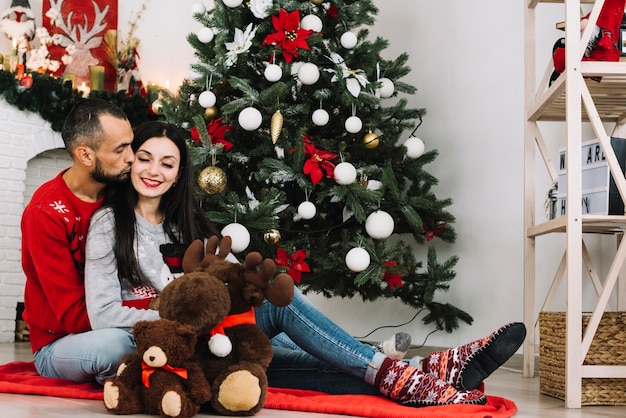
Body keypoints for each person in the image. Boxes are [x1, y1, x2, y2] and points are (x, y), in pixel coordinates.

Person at [82, 119, 526, 407]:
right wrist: (178, 318)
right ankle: (406, 374)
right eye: (144, 158)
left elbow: (234, 280)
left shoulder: (190, 222)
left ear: (179, 173)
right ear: (129, 162)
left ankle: (423, 377)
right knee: (285, 321)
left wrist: (249, 286)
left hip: (222, 336)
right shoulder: (109, 224)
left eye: (167, 162)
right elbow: (102, 314)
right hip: (175, 348)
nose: (153, 170)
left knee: (288, 351)